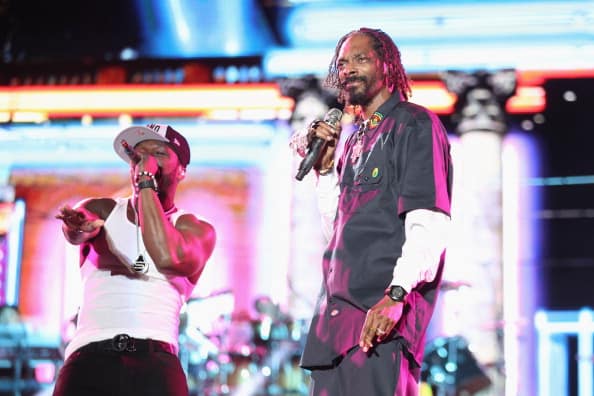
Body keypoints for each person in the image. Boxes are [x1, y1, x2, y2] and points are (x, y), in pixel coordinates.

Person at [297, 28, 453, 395]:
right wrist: (323, 171)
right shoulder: (353, 140)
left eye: (360, 59)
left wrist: (396, 296)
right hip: (334, 328)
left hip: (378, 324)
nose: (348, 69)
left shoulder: (414, 123)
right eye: (342, 63)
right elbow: (338, 229)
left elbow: (428, 220)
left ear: (388, 64)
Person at [53, 124, 216, 396]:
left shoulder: (195, 228)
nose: (146, 161)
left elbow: (167, 256)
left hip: (154, 363)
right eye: (139, 155)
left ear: (182, 170)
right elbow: (76, 230)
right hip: (89, 359)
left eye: (159, 154)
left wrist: (146, 185)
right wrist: (75, 227)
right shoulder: (103, 210)